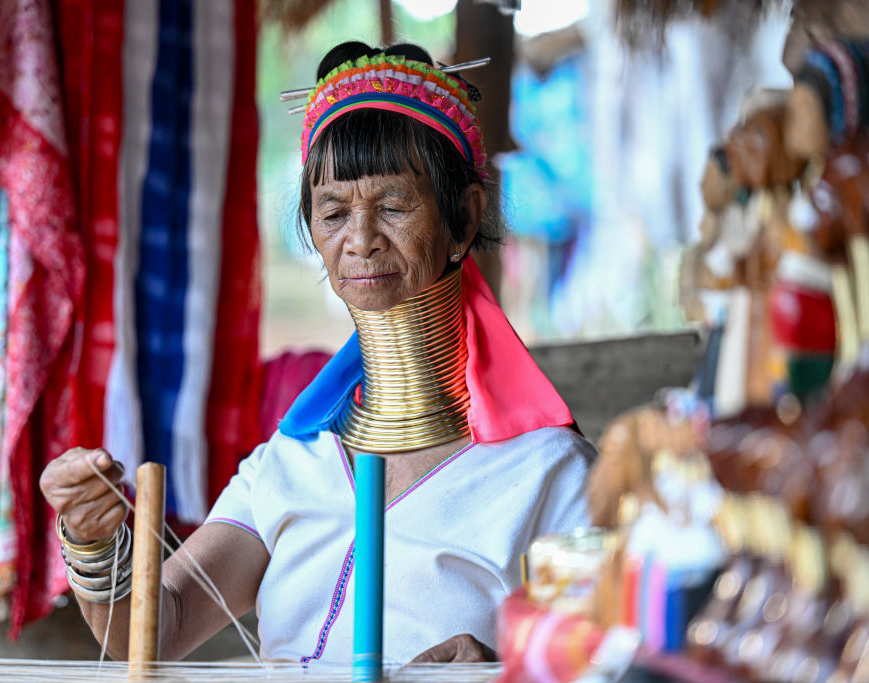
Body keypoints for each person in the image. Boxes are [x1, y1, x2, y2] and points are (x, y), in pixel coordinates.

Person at [40, 41, 596, 666]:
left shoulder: (550, 476)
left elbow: (603, 663)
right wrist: (94, 545)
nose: (359, 241)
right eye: (333, 212)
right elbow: (156, 633)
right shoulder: (291, 461)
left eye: (393, 206)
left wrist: (503, 667)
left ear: (463, 220)